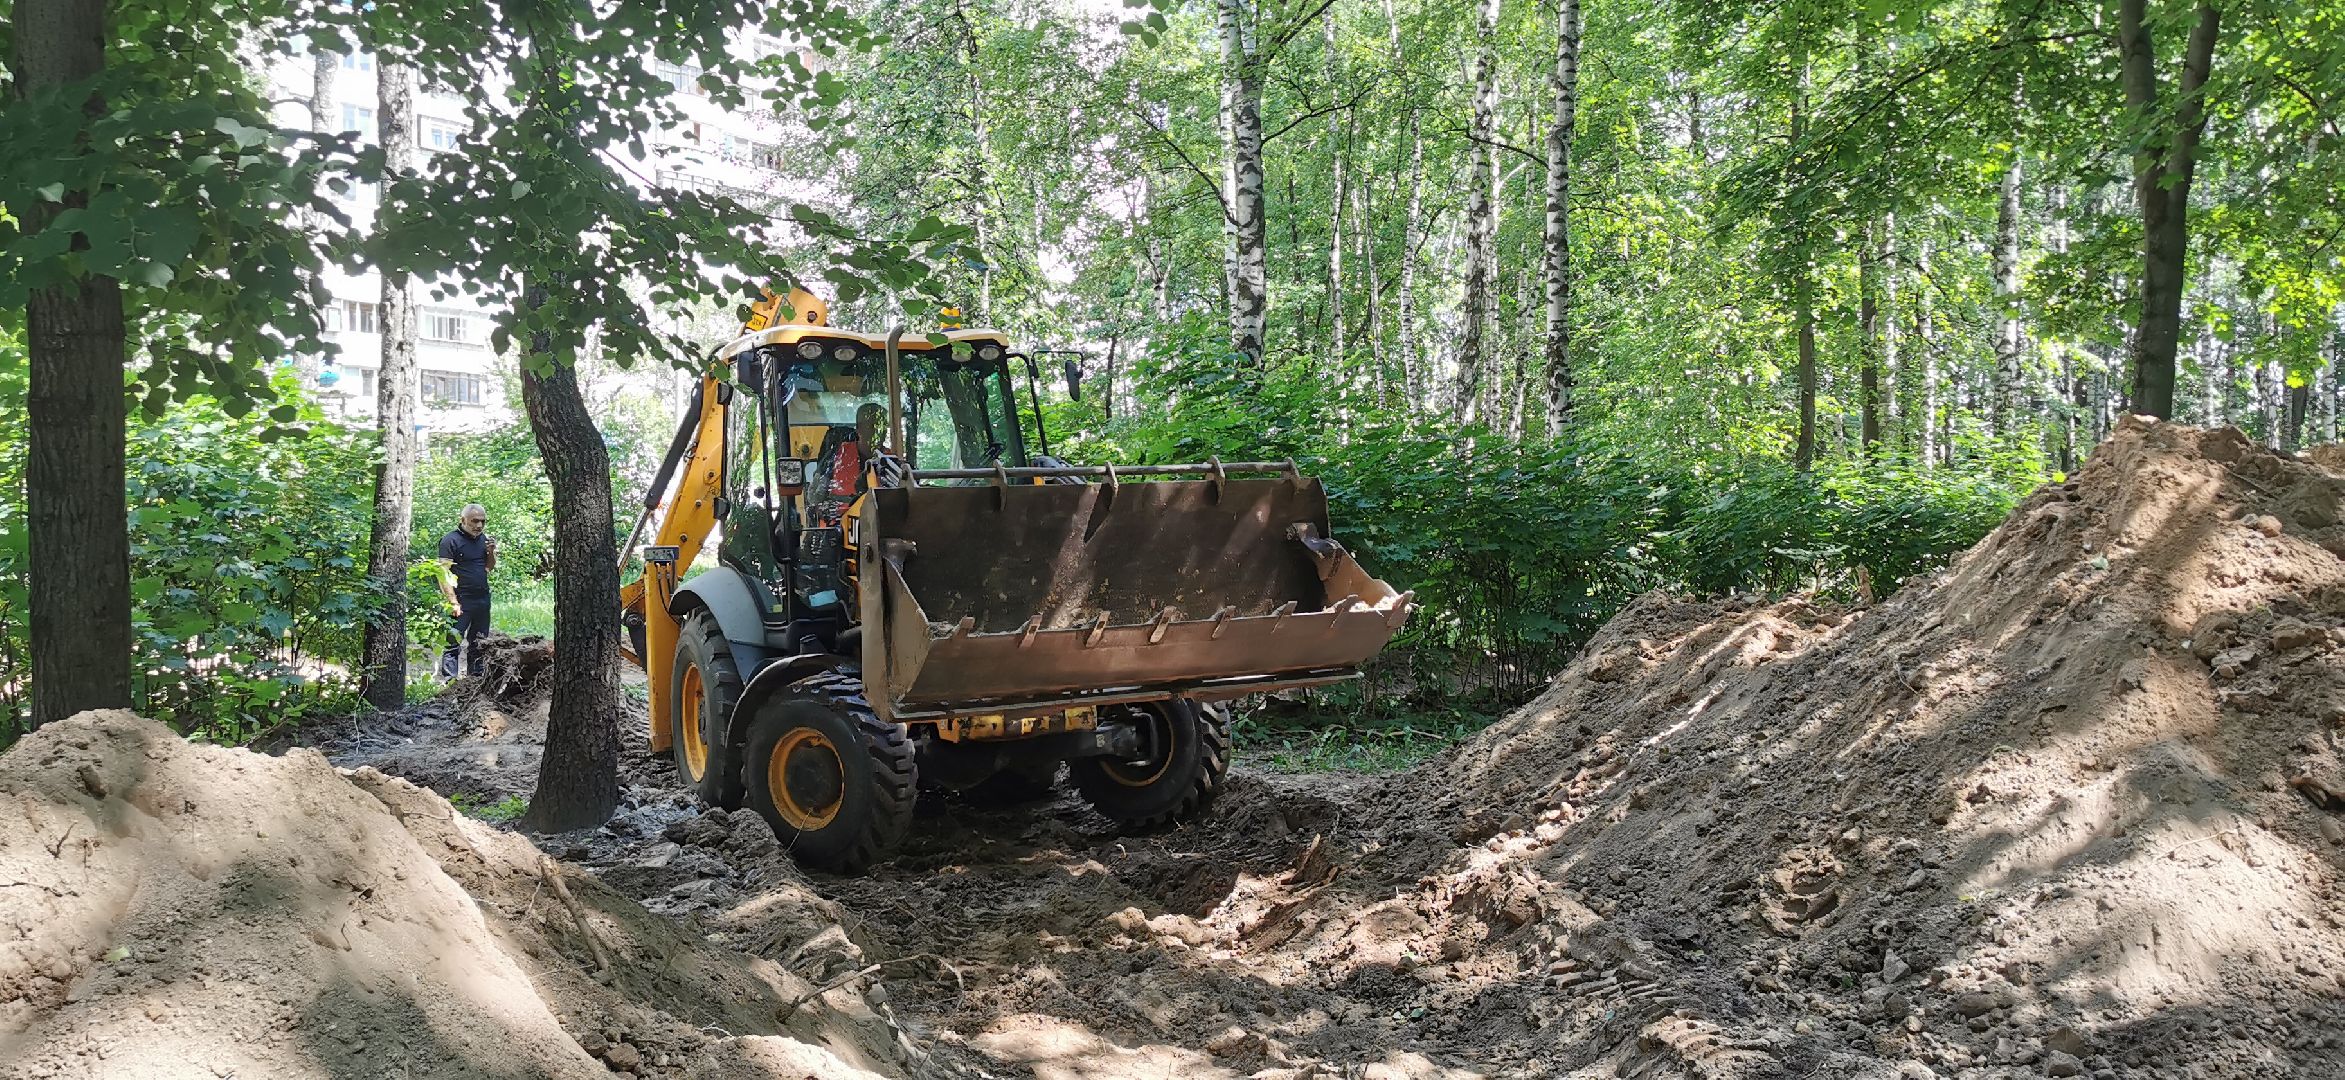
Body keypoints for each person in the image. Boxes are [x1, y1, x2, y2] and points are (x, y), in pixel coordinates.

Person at [437, 503, 498, 677]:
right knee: (453, 641)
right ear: (463, 520)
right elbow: (442, 574)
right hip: (461, 599)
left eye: (482, 521)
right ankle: (450, 683)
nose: (479, 526)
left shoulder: (483, 539)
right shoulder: (450, 540)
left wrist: (491, 552)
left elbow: (488, 567)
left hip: (482, 598)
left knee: (479, 641)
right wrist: (453, 602)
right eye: (475, 521)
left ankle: (475, 681)